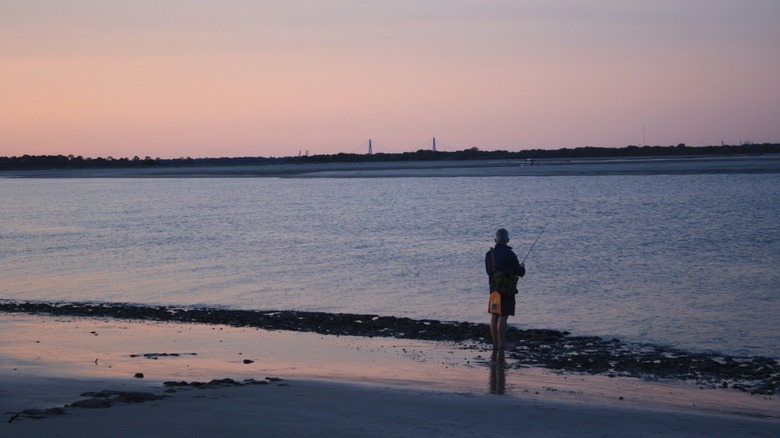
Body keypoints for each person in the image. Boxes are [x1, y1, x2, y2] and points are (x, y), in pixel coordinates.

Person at [485, 228, 525, 350]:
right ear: (507, 240)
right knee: (503, 316)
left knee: (494, 315)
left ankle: (495, 344)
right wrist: (522, 267)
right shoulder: (510, 254)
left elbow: (488, 272)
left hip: (494, 290)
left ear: (495, 240)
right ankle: (502, 344)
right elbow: (520, 272)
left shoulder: (489, 255)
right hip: (507, 290)